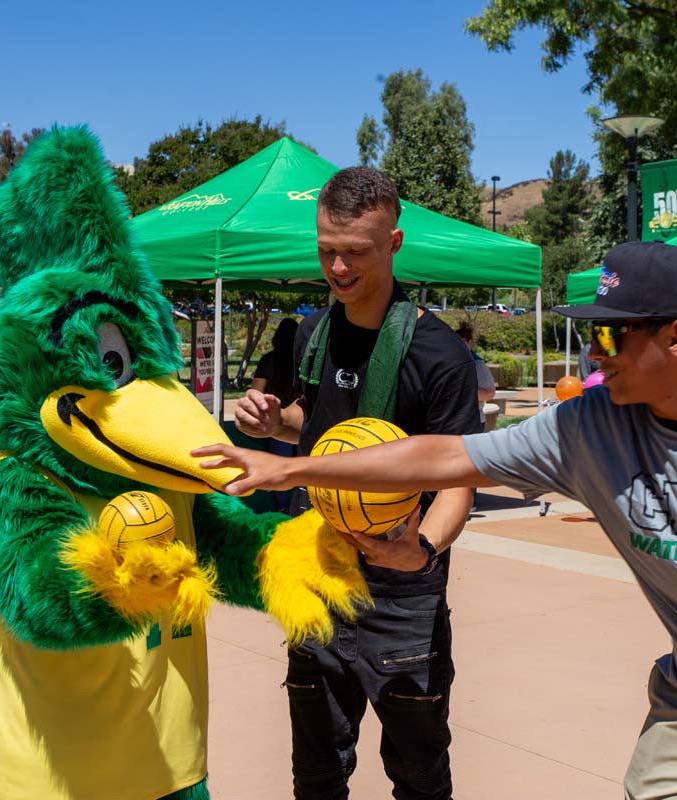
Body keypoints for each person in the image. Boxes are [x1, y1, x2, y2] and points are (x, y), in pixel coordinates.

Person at [198, 241, 677, 800]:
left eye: (612, 337)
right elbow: (443, 457)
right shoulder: (588, 425)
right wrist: (293, 468)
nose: (592, 354)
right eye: (590, 334)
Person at [230, 166, 480, 800]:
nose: (338, 268)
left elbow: (459, 481)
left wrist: (421, 548)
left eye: (355, 253)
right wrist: (271, 420)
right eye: (327, 251)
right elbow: (313, 434)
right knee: (315, 776)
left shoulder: (437, 355)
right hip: (318, 573)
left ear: (394, 243)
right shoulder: (312, 334)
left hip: (403, 591)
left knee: (419, 779)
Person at [251, 316, 301, 512]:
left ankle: (282, 510)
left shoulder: (268, 360)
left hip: (277, 420)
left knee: (279, 468)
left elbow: (256, 390)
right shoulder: (304, 359)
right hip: (304, 419)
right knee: (305, 468)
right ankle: (301, 508)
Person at [455, 321, 496, 403]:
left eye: (461, 342)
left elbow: (489, 393)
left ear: (470, 343)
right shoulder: (448, 362)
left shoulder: (477, 364)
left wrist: (462, 392)